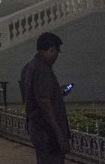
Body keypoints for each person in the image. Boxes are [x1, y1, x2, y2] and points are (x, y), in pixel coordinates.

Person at [19, 32, 71, 164]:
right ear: (51, 49)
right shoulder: (43, 70)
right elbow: (45, 103)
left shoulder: (29, 66)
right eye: (56, 52)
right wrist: (59, 134)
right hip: (46, 130)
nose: (56, 56)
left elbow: (32, 94)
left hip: (36, 125)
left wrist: (57, 93)